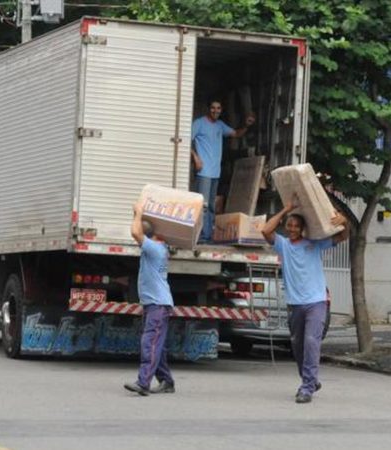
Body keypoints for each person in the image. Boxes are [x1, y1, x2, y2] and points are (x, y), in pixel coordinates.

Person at [261, 196, 349, 404]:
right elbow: (266, 231)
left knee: (311, 341)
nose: (292, 229)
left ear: (303, 228)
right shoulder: (283, 245)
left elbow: (343, 236)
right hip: (295, 303)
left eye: (296, 226)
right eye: (289, 225)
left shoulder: (315, 244)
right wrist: (286, 210)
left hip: (316, 301)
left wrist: (343, 220)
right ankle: (310, 379)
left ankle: (307, 387)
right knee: (297, 344)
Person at [124, 202, 176, 396]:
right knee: (157, 344)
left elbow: (135, 233)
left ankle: (143, 382)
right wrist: (138, 215)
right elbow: (139, 231)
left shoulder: (155, 248)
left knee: (150, 343)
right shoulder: (157, 248)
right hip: (155, 304)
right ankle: (166, 381)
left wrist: (138, 214)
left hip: (158, 305)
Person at [191, 100, 255, 242]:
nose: (215, 110)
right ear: (208, 109)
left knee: (212, 206)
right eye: (213, 108)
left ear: (221, 110)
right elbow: (185, 140)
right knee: (204, 205)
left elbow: (236, 134)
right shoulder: (199, 123)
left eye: (218, 108)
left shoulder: (220, 125)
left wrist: (246, 125)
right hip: (204, 172)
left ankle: (207, 236)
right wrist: (196, 158)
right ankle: (199, 236)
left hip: (215, 172)